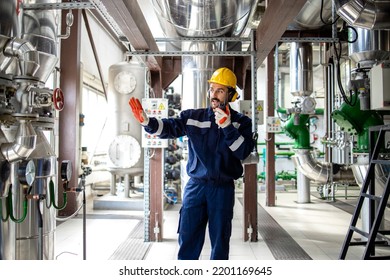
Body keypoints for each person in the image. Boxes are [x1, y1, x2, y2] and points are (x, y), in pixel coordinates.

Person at [129, 67, 254, 260]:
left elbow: (243, 151)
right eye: (212, 89)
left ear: (230, 94)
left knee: (220, 242)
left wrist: (228, 127)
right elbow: (170, 127)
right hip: (196, 187)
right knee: (188, 239)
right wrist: (148, 122)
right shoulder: (194, 117)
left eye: (220, 91)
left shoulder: (241, 123)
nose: (214, 95)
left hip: (222, 189)